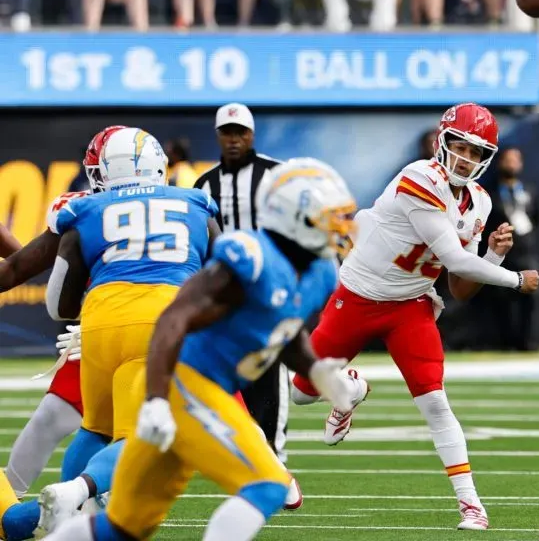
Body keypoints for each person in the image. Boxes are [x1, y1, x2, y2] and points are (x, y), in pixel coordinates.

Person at [42, 158, 359, 541]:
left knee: (124, 527)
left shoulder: (321, 272)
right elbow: (173, 320)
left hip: (207, 390)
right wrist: (156, 399)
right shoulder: (250, 258)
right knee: (268, 485)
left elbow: (285, 330)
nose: (340, 226)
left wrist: (316, 370)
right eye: (328, 217)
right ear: (294, 217)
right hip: (183, 383)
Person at [290, 102, 539, 530]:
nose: (466, 158)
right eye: (460, 146)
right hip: (358, 297)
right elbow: (455, 260)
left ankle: (471, 504)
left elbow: (459, 287)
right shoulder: (419, 178)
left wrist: (494, 256)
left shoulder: (479, 202)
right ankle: (350, 388)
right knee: (300, 395)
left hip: (410, 305)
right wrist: (514, 279)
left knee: (435, 402)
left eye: (476, 152)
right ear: (443, 142)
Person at [34, 127, 221, 535]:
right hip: (162, 321)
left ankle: (51, 523)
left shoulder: (84, 209)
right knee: (148, 431)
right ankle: (76, 491)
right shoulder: (195, 202)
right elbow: (226, 275)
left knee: (94, 428)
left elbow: (58, 306)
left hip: (100, 323)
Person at [1, 126, 122, 504]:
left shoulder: (179, 207)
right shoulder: (84, 208)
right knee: (55, 416)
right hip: (103, 329)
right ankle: (17, 500)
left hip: (152, 331)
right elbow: (20, 264)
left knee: (142, 427)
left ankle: (96, 497)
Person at [192, 103, 302, 508]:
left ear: (251, 135)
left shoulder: (276, 174)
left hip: (267, 290)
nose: (234, 139)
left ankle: (275, 460)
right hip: (224, 295)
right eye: (227, 132)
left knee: (269, 373)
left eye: (240, 132)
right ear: (218, 136)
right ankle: (248, 463)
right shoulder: (204, 186)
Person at [484, 147, 539, 352]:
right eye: (508, 160)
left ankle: (528, 340)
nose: (512, 164)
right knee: (502, 297)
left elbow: (537, 218)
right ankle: (505, 341)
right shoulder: (489, 193)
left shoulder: (529, 191)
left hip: (526, 250)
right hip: (501, 253)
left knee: (530, 296)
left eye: (516, 160)